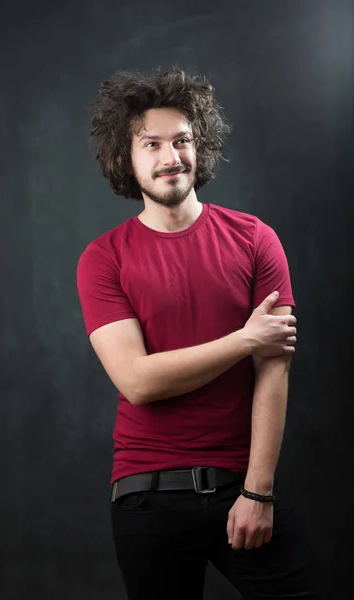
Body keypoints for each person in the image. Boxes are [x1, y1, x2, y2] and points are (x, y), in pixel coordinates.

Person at [76, 67, 325, 600]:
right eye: (152, 144)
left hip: (243, 484)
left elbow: (273, 370)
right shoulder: (103, 259)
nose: (172, 157)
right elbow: (138, 381)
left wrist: (259, 490)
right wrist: (244, 339)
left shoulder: (255, 238)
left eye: (183, 140)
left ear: (200, 146)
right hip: (146, 493)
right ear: (126, 159)